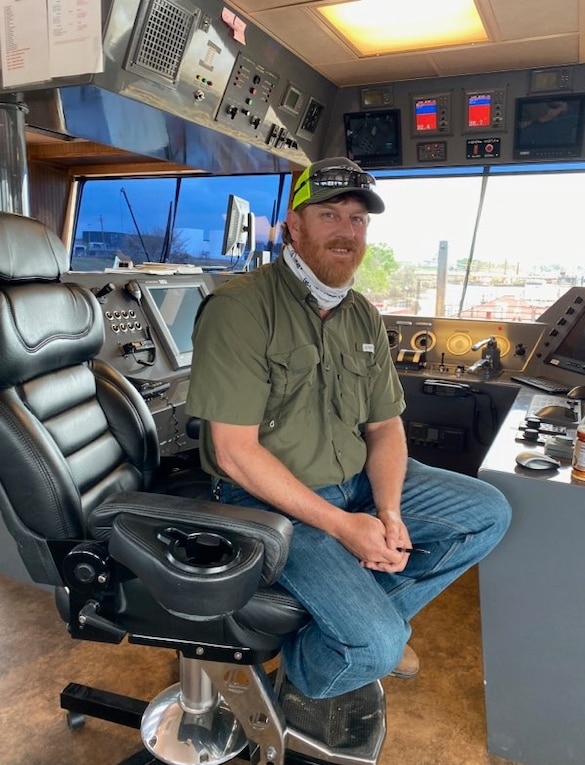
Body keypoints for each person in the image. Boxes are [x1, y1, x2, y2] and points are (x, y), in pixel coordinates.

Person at [185, 156, 511, 700]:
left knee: (488, 512)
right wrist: (342, 526)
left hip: (353, 485)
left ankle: (355, 622)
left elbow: (385, 426)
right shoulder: (239, 308)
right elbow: (236, 452)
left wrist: (386, 512)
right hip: (268, 504)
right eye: (330, 215)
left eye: (358, 220)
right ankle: (306, 682)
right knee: (377, 649)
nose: (347, 232)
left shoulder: (360, 313)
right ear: (295, 224)